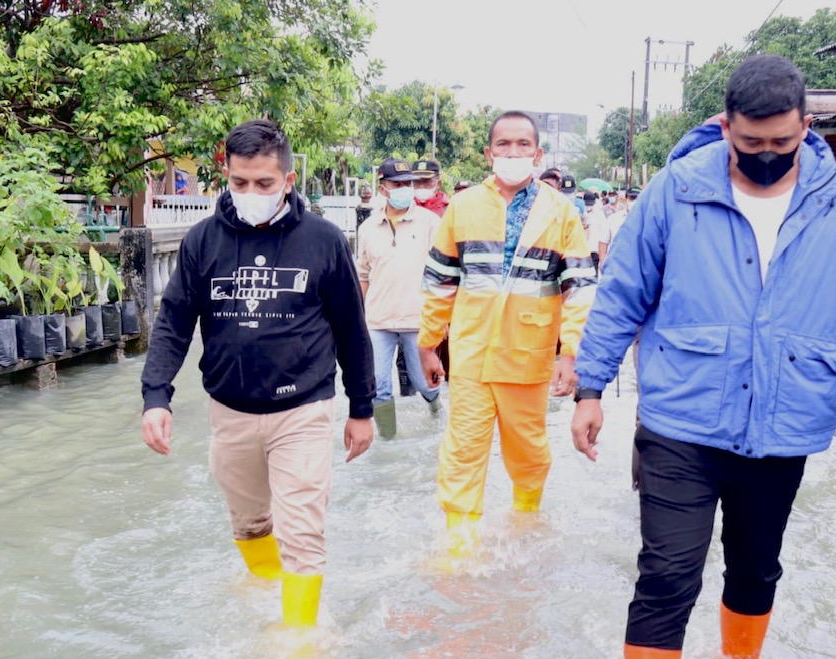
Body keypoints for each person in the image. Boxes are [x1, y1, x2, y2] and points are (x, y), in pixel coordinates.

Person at [570, 55, 836, 659]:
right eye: (749, 144)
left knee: (756, 566)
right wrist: (590, 385)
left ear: (805, 127)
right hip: (682, 419)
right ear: (725, 128)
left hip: (784, 421)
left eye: (780, 145)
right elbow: (623, 289)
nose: (764, 158)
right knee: (667, 573)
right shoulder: (676, 191)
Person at [140, 118, 375, 628]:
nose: (251, 193)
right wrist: (156, 396)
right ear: (226, 175)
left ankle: (299, 642)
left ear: (288, 181)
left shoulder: (324, 241)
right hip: (231, 411)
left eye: (264, 184)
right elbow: (174, 322)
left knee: (303, 533)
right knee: (249, 524)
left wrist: (362, 407)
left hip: (304, 409)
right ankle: (265, 591)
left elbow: (352, 329)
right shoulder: (203, 241)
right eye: (240, 182)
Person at [418, 110, 596, 553]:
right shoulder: (462, 207)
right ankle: (459, 544)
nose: (513, 152)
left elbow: (579, 289)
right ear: (488, 153)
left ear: (537, 153)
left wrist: (570, 354)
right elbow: (440, 281)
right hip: (471, 351)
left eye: (522, 145)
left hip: (529, 353)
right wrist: (427, 343)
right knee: (463, 449)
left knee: (529, 450)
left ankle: (525, 522)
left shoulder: (562, 212)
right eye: (504, 145)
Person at [356, 157, 443, 437]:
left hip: (417, 321)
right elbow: (363, 274)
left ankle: (436, 411)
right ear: (383, 189)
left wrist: (443, 320)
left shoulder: (430, 223)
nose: (406, 188)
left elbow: (443, 275)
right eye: (398, 184)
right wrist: (357, 319)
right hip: (378, 321)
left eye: (409, 183)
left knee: (423, 383)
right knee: (379, 385)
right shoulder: (368, 228)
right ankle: (388, 442)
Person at [581, 191, 611, 271]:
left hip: (594, 249)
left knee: (593, 273)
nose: (589, 206)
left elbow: (604, 232)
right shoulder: (580, 212)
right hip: (582, 249)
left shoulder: (599, 214)